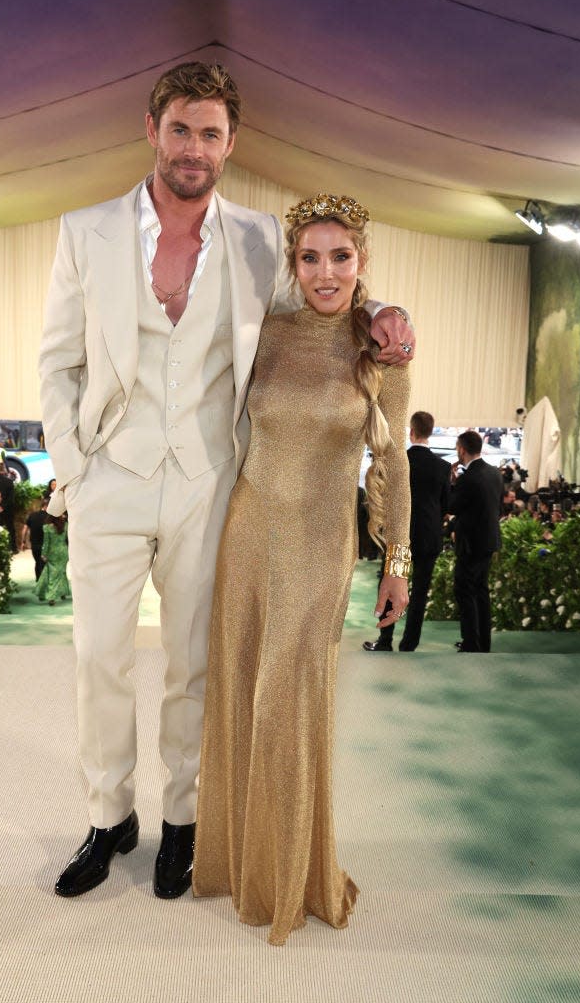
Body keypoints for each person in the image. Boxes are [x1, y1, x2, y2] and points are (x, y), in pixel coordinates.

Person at [39, 60, 416, 902]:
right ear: (152, 130)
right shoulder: (84, 230)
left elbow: (328, 290)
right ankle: (108, 818)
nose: (195, 148)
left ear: (231, 143)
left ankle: (182, 822)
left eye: (212, 133)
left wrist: (386, 312)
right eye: (181, 128)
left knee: (193, 663)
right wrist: (78, 472)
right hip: (111, 476)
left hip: (211, 480)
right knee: (98, 655)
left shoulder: (255, 239)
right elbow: (56, 361)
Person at [192, 194, 411, 945]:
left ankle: (290, 875)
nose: (326, 272)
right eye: (311, 257)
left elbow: (395, 462)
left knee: (289, 698)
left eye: (340, 257)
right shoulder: (268, 332)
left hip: (323, 545)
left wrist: (398, 562)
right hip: (249, 534)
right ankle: (237, 864)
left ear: (361, 263)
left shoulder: (381, 347)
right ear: (294, 264)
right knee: (242, 689)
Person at [363, 410, 450, 652]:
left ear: (411, 432)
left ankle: (385, 640)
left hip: (400, 539)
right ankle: (409, 644)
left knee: (390, 586)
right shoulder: (443, 467)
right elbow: (446, 504)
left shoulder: (399, 462)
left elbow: (383, 496)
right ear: (430, 432)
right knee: (420, 593)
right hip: (429, 538)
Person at [448, 430, 503, 653]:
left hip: (470, 544)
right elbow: (497, 507)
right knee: (481, 591)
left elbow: (452, 506)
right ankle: (483, 643)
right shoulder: (494, 473)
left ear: (462, 449)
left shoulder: (468, 478)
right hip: (489, 541)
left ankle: (471, 642)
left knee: (464, 589)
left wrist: (452, 483)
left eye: (457, 448)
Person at [35, 513, 70, 605]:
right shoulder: (66, 526)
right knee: (62, 572)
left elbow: (46, 543)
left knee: (52, 575)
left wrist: (43, 554)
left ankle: (52, 597)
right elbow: (68, 540)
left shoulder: (47, 528)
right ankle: (63, 592)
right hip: (63, 552)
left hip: (52, 552)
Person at [22, 498, 49, 579]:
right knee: (46, 564)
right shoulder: (50, 517)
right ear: (47, 506)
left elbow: (25, 529)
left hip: (35, 544)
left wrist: (23, 542)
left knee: (37, 562)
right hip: (47, 545)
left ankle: (38, 581)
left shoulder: (32, 515)